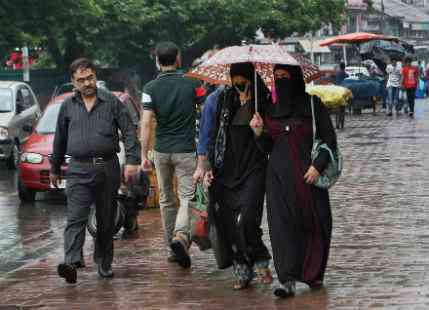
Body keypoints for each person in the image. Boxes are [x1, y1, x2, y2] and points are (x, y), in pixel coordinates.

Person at [50, 58, 141, 283]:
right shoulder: (67, 106)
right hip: (77, 168)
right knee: (75, 217)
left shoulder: (111, 102)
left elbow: (129, 131)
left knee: (105, 218)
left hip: (105, 166)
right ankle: (71, 262)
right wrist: (55, 167)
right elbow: (60, 139)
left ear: (95, 76)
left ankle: (104, 261)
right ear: (73, 82)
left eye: (90, 77)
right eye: (81, 80)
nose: (87, 83)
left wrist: (132, 160)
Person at [250, 64, 337, 298]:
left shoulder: (313, 105)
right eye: (276, 77)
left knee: (317, 224)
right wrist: (258, 133)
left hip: (309, 177)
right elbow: (265, 148)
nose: (280, 81)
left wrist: (318, 166)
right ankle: (286, 279)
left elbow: (328, 139)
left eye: (285, 76)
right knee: (281, 228)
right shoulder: (268, 110)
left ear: (296, 78)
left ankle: (313, 273)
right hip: (278, 178)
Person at [204, 63, 272, 290]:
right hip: (226, 172)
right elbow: (213, 136)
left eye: (243, 79)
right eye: (235, 79)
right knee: (228, 224)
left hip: (253, 170)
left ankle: (260, 259)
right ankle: (242, 269)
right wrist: (209, 167)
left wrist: (260, 132)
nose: (239, 84)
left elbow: (271, 145)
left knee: (248, 219)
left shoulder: (264, 104)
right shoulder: (224, 100)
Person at [140, 41, 205, 269]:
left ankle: (172, 249)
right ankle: (180, 237)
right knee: (187, 196)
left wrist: (143, 155)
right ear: (178, 59)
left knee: (167, 199)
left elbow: (146, 122)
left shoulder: (149, 88)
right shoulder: (193, 84)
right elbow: (204, 111)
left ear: (157, 61)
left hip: (161, 151)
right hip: (186, 149)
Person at [193, 85, 224, 184]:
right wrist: (202, 166)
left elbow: (205, 135)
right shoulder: (214, 98)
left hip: (218, 159)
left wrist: (201, 166)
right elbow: (205, 134)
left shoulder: (212, 98)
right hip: (220, 161)